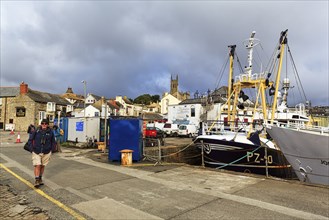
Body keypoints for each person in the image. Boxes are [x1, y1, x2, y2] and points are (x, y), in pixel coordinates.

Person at [28, 119, 55, 187]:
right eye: (42, 123)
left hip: (46, 152)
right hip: (36, 151)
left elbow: (53, 142)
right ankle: (37, 180)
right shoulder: (36, 131)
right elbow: (30, 140)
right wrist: (32, 149)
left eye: (45, 123)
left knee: (42, 166)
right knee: (38, 165)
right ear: (41, 124)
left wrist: (51, 150)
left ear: (48, 124)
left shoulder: (50, 132)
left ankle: (40, 178)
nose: (44, 125)